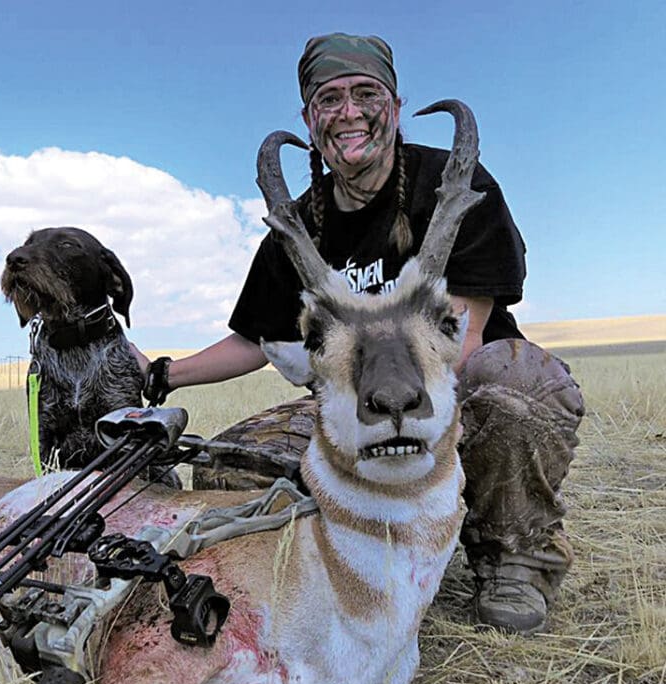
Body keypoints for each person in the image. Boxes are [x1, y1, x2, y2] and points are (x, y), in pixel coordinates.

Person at [135, 33, 584, 635]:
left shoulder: (453, 188)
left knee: (514, 384)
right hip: (355, 405)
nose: (349, 113)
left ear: (396, 107)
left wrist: (384, 415)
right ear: (309, 118)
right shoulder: (294, 229)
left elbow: (460, 337)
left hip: (447, 394)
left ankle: (512, 557)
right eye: (330, 99)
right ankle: (360, 548)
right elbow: (252, 340)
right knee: (228, 466)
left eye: (366, 94)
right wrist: (160, 373)